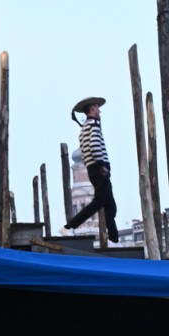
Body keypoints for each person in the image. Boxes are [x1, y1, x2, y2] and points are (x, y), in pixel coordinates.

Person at [62, 96, 119, 238]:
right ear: (93, 109)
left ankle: (114, 237)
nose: (100, 111)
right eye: (98, 108)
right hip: (99, 169)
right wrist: (101, 165)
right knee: (98, 202)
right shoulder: (93, 126)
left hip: (94, 168)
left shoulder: (85, 129)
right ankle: (69, 226)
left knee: (110, 206)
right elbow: (94, 145)